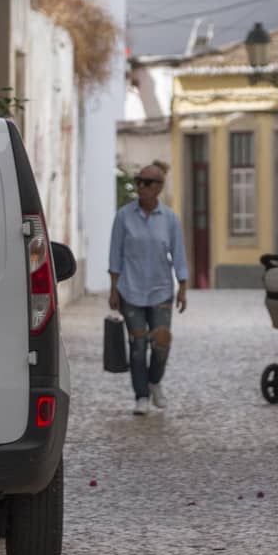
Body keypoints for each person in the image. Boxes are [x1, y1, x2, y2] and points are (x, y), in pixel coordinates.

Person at [108, 163, 188, 416]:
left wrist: (183, 287)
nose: (141, 186)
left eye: (147, 182)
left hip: (161, 289)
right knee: (138, 346)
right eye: (139, 181)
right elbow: (115, 254)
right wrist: (113, 290)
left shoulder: (170, 219)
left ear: (159, 187)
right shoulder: (123, 216)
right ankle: (141, 396)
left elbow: (178, 254)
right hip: (130, 290)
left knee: (162, 342)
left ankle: (155, 380)